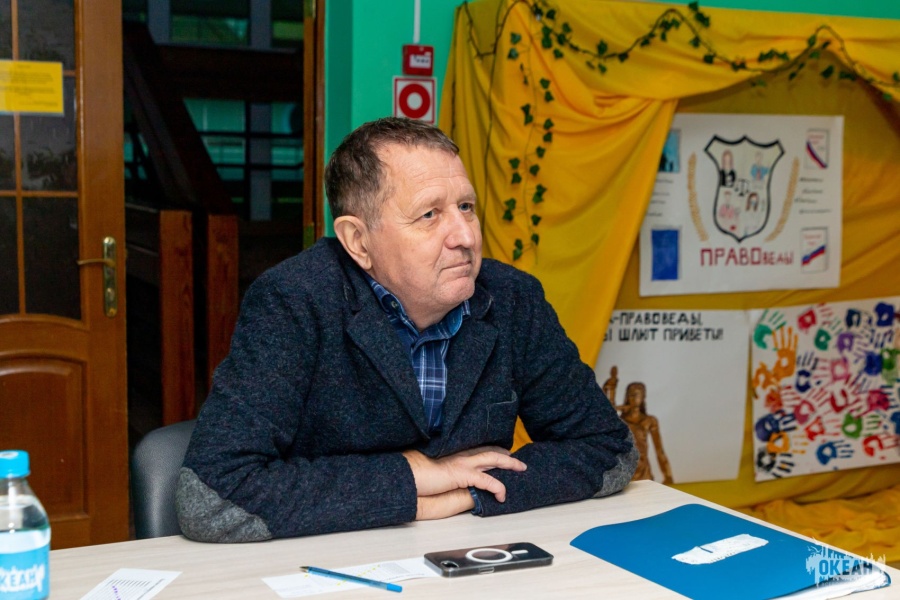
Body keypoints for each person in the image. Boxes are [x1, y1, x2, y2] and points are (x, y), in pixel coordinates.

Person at [176, 117, 638, 542]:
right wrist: (412, 480)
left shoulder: (513, 298)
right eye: (429, 215)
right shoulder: (293, 301)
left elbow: (609, 449)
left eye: (466, 207)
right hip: (328, 564)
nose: (466, 236)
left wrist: (465, 493)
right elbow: (211, 496)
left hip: (472, 556)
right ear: (359, 241)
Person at [616, 382, 673, 485]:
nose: (634, 398)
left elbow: (659, 451)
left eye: (637, 395)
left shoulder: (649, 421)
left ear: (643, 397)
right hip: (625, 472)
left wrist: (668, 475)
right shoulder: (619, 421)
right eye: (631, 395)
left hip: (644, 473)